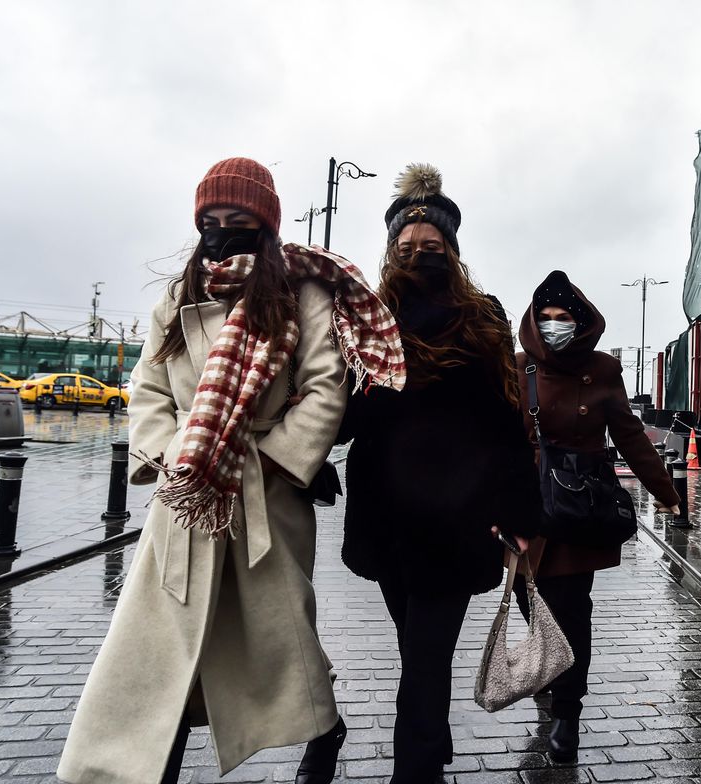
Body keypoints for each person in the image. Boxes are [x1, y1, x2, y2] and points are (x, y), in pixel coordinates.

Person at [58, 157, 405, 784]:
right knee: (159, 649)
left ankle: (321, 727)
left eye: (237, 218)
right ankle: (140, 764)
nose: (221, 231)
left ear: (265, 224)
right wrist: (173, 457)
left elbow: (324, 387)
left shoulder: (301, 294)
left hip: (263, 495)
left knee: (280, 640)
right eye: (210, 219)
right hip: (188, 495)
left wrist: (273, 461)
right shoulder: (178, 296)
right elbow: (148, 387)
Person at [338, 163, 541, 784]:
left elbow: (506, 419)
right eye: (406, 247)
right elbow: (344, 416)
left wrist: (520, 511)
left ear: (451, 250)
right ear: (390, 250)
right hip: (386, 515)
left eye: (431, 246)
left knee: (426, 655)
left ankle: (417, 768)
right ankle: (433, 736)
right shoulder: (366, 316)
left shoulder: (482, 316)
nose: (419, 255)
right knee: (417, 648)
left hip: (457, 515)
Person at [514, 270, 681, 764]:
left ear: (580, 321)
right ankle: (550, 669)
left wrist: (666, 492)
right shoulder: (518, 367)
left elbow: (629, 434)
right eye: (545, 317)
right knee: (530, 602)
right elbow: (497, 439)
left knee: (571, 611)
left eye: (562, 317)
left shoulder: (603, 370)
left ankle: (568, 712)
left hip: (578, 509)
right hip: (526, 505)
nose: (553, 325)